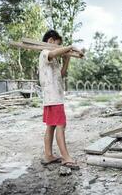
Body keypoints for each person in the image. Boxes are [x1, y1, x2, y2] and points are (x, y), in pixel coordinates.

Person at [39, 30, 84, 169]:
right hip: (53, 97)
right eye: (58, 44)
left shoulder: (54, 59)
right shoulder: (45, 52)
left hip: (54, 97)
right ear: (51, 41)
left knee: (51, 126)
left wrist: (67, 58)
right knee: (61, 125)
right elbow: (52, 53)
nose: (58, 48)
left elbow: (61, 74)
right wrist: (71, 47)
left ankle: (48, 155)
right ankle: (66, 157)